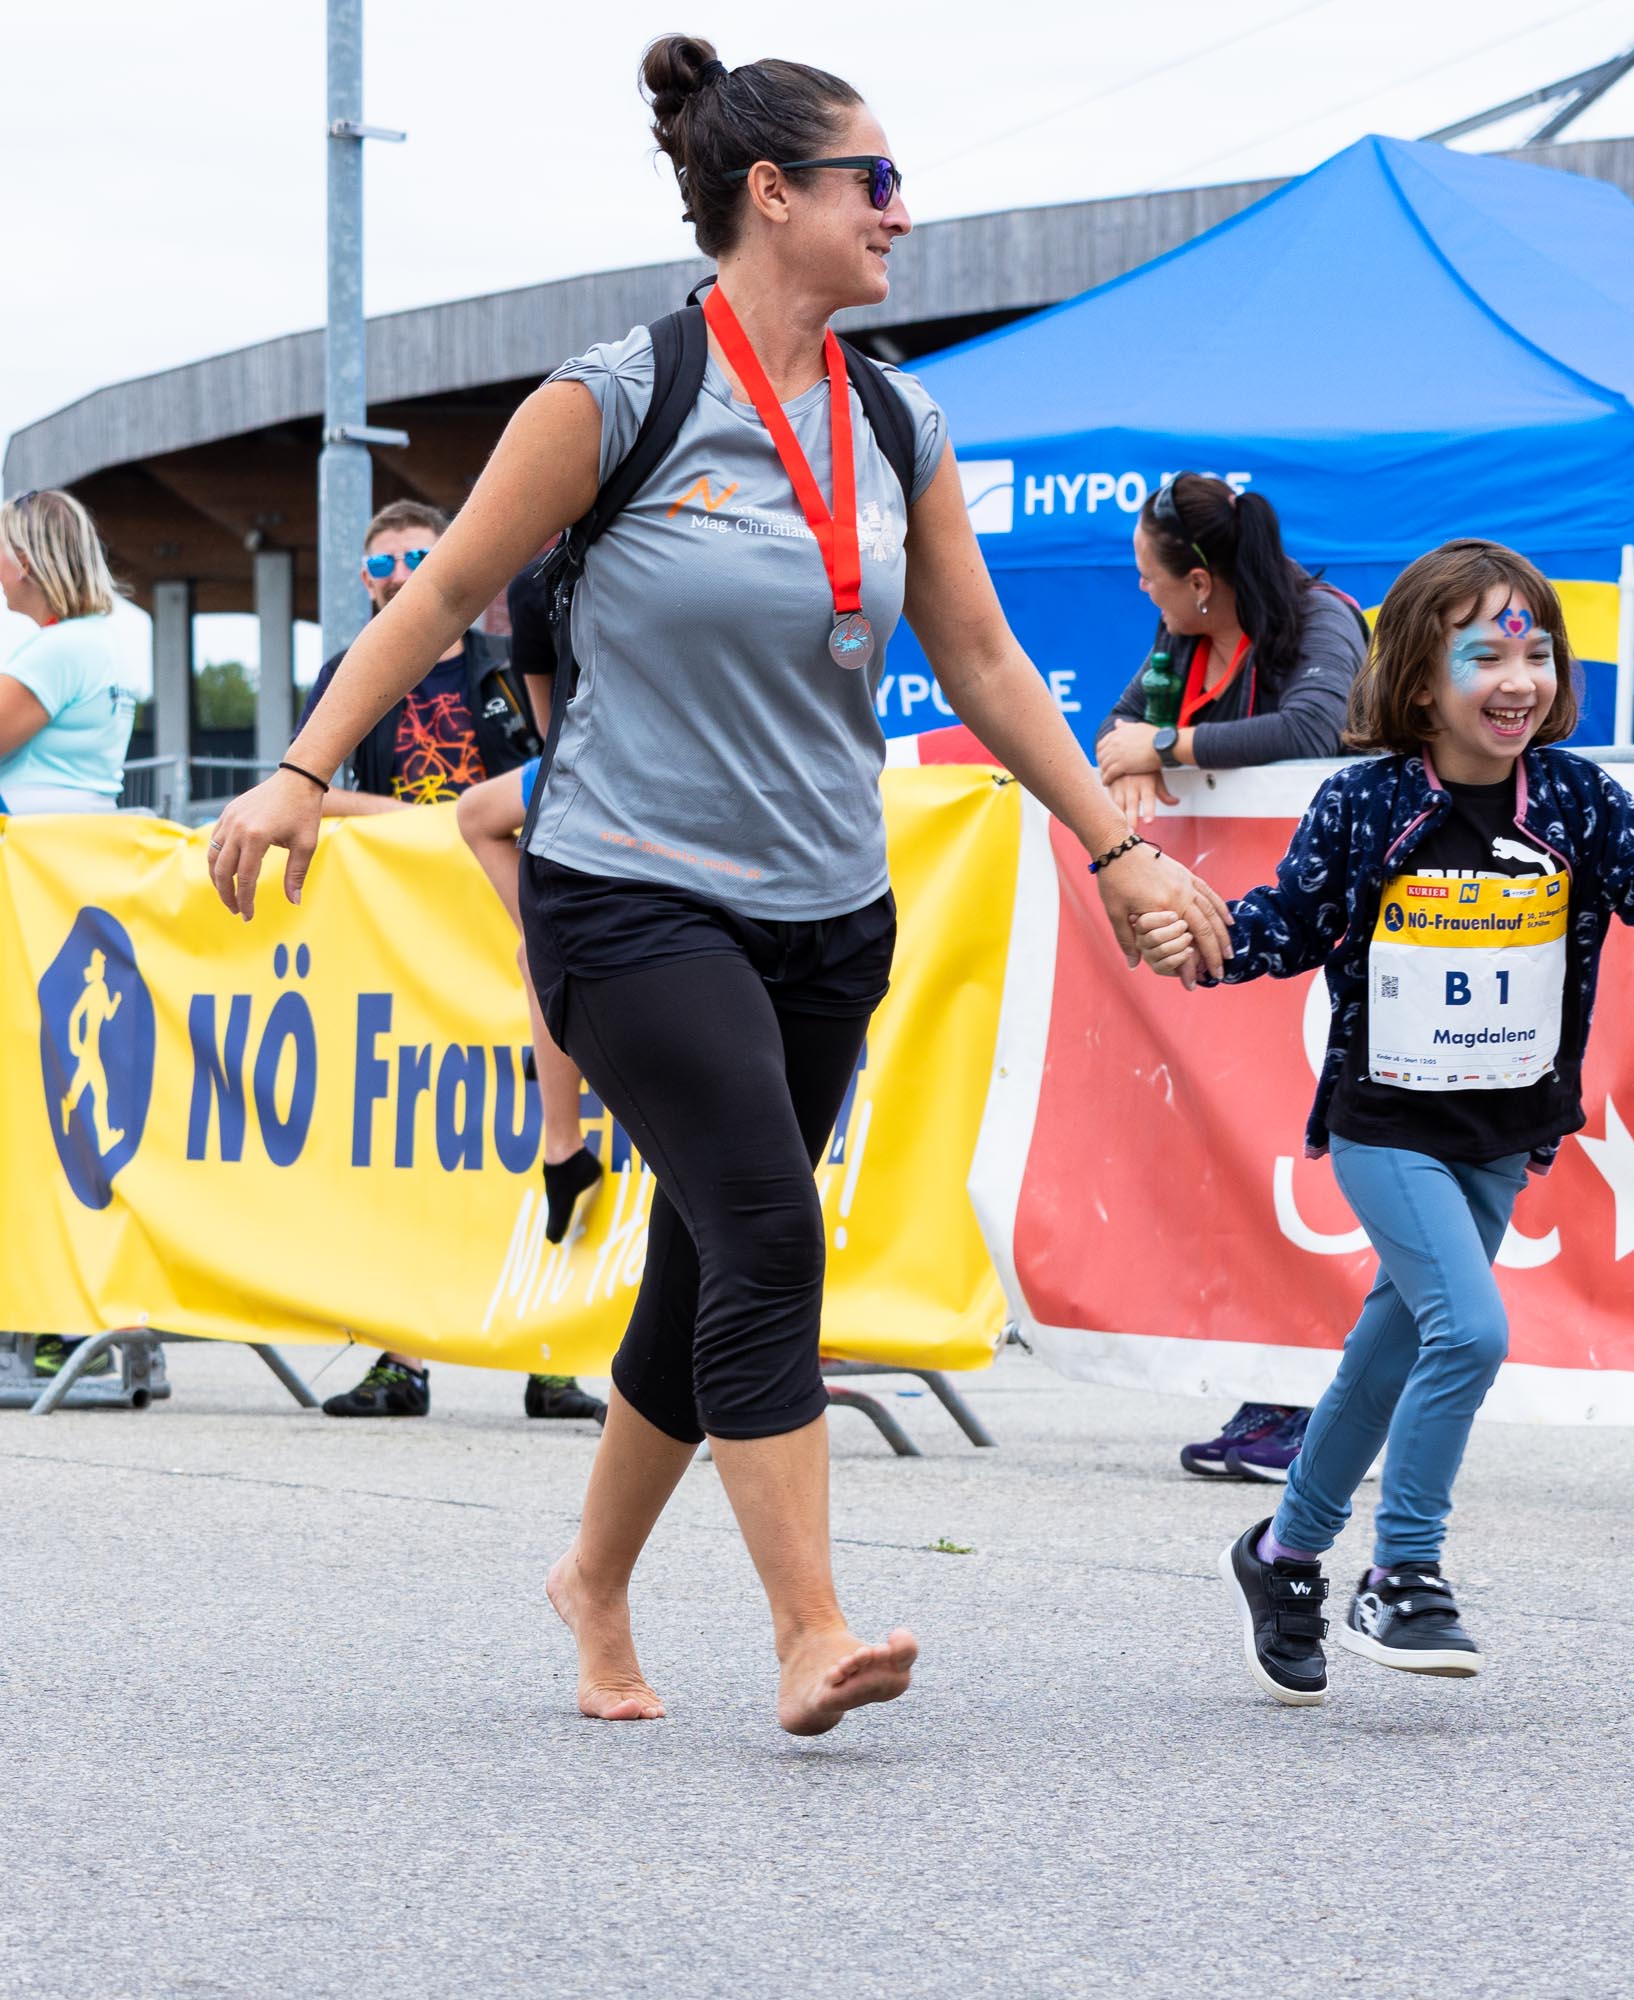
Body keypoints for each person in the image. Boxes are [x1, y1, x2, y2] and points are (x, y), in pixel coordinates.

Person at [205, 33, 1231, 1737]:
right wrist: (302, 771)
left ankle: (593, 1580)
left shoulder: (897, 420)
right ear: (773, 194)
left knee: (706, 1260)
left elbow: (983, 660)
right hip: (627, 895)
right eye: (872, 180)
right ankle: (810, 1630)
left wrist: (1115, 852)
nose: (900, 211)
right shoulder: (617, 399)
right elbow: (441, 596)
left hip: (826, 913)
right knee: (767, 1226)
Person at [1131, 539, 1634, 1705]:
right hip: (1386, 1123)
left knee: (1390, 1349)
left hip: (1506, 1131)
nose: (1519, 678)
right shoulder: (1367, 802)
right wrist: (1204, 941)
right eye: (1485, 655)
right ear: (1418, 678)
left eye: (1537, 653)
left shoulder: (1574, 799)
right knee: (1471, 1331)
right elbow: (1287, 921)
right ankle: (1405, 1570)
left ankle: (1284, 1552)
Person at [301, 501, 608, 1426]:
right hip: (408, 950)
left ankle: (553, 1358)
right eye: (380, 564)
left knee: (537, 1146)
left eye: (419, 556)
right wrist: (421, 822)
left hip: (514, 934)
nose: (399, 575)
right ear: (363, 581)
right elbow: (306, 791)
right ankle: (400, 1361)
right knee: (409, 1156)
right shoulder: (348, 675)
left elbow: (553, 780)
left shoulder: (505, 662)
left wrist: (448, 821)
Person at [1095, 472, 1368, 1483]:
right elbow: (1116, 731)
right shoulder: (1179, 642)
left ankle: (1325, 1407)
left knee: (1319, 1174)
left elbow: (1310, 731)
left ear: (1201, 581)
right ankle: (1277, 1387)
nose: (1143, 592)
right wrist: (1136, 757)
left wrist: (1163, 746)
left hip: (1326, 936)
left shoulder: (1321, 619)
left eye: (1150, 577)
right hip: (1240, 940)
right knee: (1252, 1162)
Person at [3, 489, 146, 1386]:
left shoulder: (57, 650)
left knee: (41, 1103)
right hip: (73, 885)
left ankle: (55, 1319)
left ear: (29, 559)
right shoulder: (102, 642)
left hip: (38, 894)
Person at [450, 552, 602, 1249]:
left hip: (605, 767)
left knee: (539, 950)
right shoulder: (538, 585)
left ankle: (563, 1148)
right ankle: (563, 1148)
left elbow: (554, 732)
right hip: (632, 766)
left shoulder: (537, 583)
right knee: (538, 948)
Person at [0, 489, 140, 817]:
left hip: (27, 830)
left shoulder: (59, 649)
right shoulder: (100, 640)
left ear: (23, 562)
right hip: (73, 826)